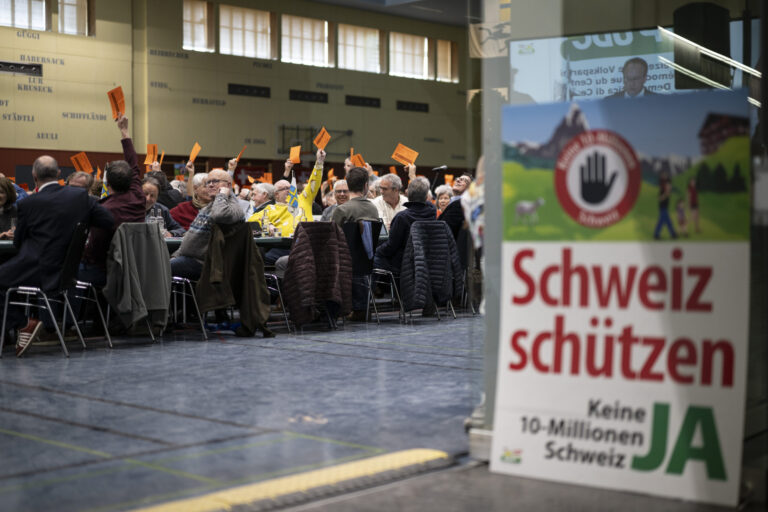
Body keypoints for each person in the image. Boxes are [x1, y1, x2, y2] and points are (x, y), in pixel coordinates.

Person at [0, 155, 113, 356]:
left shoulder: (28, 203)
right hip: (69, 272)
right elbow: (108, 221)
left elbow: (18, 243)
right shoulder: (81, 198)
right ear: (59, 173)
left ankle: (23, 323)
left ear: (34, 176)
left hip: (37, 271)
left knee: (5, 278)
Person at [79, 113, 146, 288]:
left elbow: (94, 252)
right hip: (135, 270)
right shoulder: (138, 198)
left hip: (107, 272)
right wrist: (125, 132)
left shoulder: (104, 211)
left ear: (106, 183)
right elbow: (133, 164)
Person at [248, 150, 325, 265]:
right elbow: (252, 220)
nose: (290, 190)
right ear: (276, 195)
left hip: (306, 244)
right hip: (283, 248)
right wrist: (268, 225)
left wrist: (319, 162)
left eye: (291, 187)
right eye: (285, 189)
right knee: (261, 259)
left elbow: (314, 182)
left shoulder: (303, 199)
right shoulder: (270, 209)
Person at [169, 169, 245, 281]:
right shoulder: (208, 207)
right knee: (158, 264)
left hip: (209, 265)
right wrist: (175, 255)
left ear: (228, 185)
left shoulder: (233, 207)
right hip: (189, 259)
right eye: (208, 182)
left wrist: (222, 195)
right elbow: (190, 238)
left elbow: (219, 215)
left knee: (159, 269)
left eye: (215, 181)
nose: (210, 185)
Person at [374, 177, 436, 275]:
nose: (381, 191)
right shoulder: (432, 213)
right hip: (425, 262)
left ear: (407, 193)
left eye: (384, 189)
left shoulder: (402, 217)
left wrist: (376, 251)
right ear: (426, 196)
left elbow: (391, 247)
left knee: (372, 257)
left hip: (401, 264)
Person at [440, 173, 472, 239]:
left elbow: (444, 229)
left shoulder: (460, 204)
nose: (458, 180)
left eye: (464, 180)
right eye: (458, 178)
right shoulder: (452, 202)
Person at [653, 174, 677, 240]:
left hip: (665, 207)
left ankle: (673, 234)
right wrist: (666, 193)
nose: (669, 187)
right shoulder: (662, 191)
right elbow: (660, 198)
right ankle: (657, 234)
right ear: (665, 185)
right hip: (662, 207)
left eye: (670, 186)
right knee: (663, 221)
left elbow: (669, 180)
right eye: (668, 185)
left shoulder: (667, 191)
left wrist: (667, 192)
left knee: (667, 221)